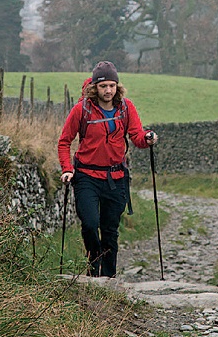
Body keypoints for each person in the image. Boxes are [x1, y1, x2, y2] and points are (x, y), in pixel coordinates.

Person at [58, 60, 157, 277]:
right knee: (91, 224)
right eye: (104, 86)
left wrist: (147, 138)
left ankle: (109, 277)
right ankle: (94, 270)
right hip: (86, 177)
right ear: (95, 87)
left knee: (111, 231)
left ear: (117, 86)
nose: (108, 90)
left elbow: (136, 136)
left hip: (116, 177)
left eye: (112, 85)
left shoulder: (126, 107)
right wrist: (67, 168)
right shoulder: (81, 109)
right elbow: (64, 141)